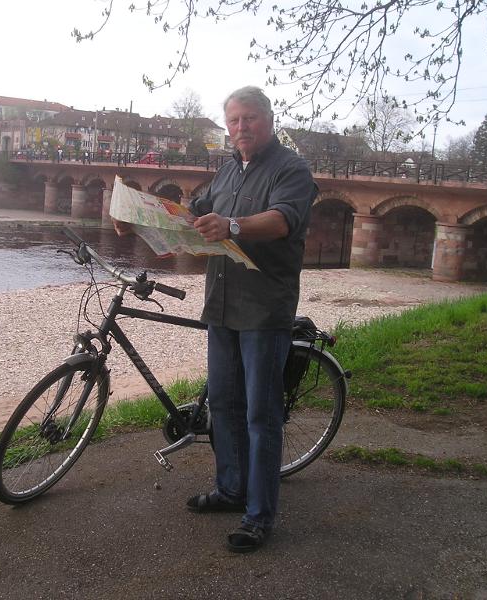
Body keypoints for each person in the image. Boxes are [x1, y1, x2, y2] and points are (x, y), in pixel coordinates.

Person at [113, 85, 317, 553]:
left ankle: (259, 516)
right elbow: (189, 217)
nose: (241, 128)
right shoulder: (226, 172)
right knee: (223, 405)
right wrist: (138, 221)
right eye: (234, 121)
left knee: (261, 415)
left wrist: (236, 226)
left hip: (265, 308)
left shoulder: (292, 169)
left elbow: (284, 219)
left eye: (249, 119)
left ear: (268, 119)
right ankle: (230, 490)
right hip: (221, 304)